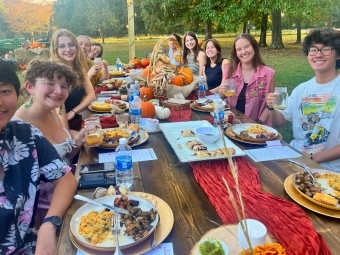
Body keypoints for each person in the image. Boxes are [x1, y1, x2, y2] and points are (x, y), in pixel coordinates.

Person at [0, 59, 77, 255]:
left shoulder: (23, 133)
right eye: (50, 83)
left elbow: (66, 179)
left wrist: (49, 225)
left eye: (5, 91)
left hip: (32, 243)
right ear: (29, 88)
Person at [14, 59, 86, 221]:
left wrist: (79, 142)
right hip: (51, 207)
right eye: (50, 83)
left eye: (64, 86)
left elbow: (61, 159)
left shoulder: (52, 111)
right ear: (29, 87)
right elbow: (22, 192)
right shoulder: (18, 128)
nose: (58, 91)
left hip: (74, 186)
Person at [266, 29, 340, 172]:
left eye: (326, 49)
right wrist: (271, 108)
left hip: (328, 169)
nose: (318, 54)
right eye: (313, 50)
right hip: (295, 159)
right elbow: (279, 122)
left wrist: (313, 158)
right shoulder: (301, 89)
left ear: (338, 54)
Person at [219, 33, 275, 125]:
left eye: (247, 47)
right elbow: (222, 96)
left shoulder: (269, 74)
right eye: (239, 49)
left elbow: (270, 104)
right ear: (236, 53)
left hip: (256, 126)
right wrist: (222, 91)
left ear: (254, 47)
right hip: (231, 123)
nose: (243, 52)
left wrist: (258, 123)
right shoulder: (229, 70)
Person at [49, 29, 96, 134]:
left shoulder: (78, 68)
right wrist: (68, 139)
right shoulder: (55, 73)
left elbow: (91, 95)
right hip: (54, 126)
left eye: (71, 45)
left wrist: (73, 112)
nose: (68, 49)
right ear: (55, 49)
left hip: (73, 120)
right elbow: (59, 111)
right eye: (62, 46)